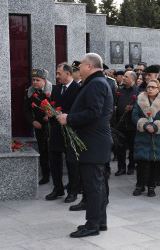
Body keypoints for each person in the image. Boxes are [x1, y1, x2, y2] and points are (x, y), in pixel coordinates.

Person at [56, 53, 113, 238]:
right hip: (94, 141)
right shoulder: (96, 82)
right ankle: (99, 222)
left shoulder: (96, 83)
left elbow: (93, 112)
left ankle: (93, 225)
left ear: (89, 66)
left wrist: (69, 118)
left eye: (80, 65)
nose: (78, 68)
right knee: (97, 184)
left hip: (93, 143)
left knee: (93, 185)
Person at [45, 63, 80, 203]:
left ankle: (73, 191)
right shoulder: (56, 88)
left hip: (70, 131)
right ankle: (58, 188)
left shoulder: (78, 89)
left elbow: (79, 110)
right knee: (54, 160)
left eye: (59, 73)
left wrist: (67, 117)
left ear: (68, 74)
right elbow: (53, 104)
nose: (57, 76)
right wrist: (49, 111)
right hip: (56, 130)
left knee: (72, 163)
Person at [132, 79, 160, 197]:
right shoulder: (140, 100)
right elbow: (134, 115)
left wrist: (156, 126)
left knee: (154, 163)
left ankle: (151, 187)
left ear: (158, 89)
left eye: (153, 87)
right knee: (142, 163)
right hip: (142, 135)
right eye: (148, 87)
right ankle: (140, 185)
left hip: (157, 137)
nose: (150, 89)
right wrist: (144, 125)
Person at [23, 68, 52, 185]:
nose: (34, 82)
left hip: (53, 126)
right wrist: (33, 121)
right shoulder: (29, 92)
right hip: (40, 126)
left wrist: (50, 116)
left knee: (55, 152)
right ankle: (45, 176)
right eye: (33, 80)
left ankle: (56, 174)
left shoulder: (53, 90)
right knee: (43, 151)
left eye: (37, 80)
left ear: (44, 80)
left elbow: (59, 107)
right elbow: (26, 111)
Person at [115, 71, 138, 176]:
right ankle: (121, 167)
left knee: (133, 148)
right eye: (123, 76)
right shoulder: (120, 90)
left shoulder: (138, 91)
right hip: (120, 125)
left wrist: (133, 108)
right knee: (120, 148)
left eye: (126, 77)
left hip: (132, 125)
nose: (123, 78)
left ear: (132, 79)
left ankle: (131, 167)